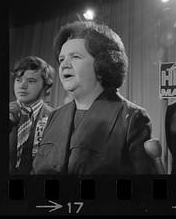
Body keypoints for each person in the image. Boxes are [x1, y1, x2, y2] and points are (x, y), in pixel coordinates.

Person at [32, 21, 155, 175]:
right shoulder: (55, 116)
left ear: (103, 64)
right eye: (62, 59)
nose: (64, 65)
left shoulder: (132, 118)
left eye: (75, 57)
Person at [9, 56, 55, 174]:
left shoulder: (54, 117)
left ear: (46, 86)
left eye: (31, 81)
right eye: (18, 80)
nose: (22, 86)